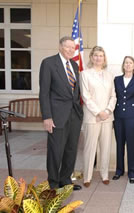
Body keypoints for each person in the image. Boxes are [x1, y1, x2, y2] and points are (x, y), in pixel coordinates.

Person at [39, 36, 83, 190]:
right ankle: (53, 182)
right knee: (56, 149)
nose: (71, 50)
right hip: (57, 116)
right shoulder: (49, 63)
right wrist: (47, 117)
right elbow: (44, 93)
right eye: (67, 47)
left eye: (73, 47)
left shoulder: (74, 65)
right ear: (60, 47)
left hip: (74, 115)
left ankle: (65, 180)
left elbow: (75, 92)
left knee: (71, 149)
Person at [80, 46, 117, 188]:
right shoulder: (85, 74)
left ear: (104, 58)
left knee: (105, 147)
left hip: (107, 116)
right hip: (92, 116)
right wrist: (98, 112)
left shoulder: (109, 75)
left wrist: (107, 111)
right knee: (90, 147)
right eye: (95, 55)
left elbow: (113, 95)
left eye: (101, 55)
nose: (98, 58)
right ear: (91, 57)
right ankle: (87, 176)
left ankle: (104, 174)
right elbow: (86, 96)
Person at [113, 56, 134, 184]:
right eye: (126, 63)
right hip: (119, 116)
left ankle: (132, 172)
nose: (128, 65)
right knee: (119, 144)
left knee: (131, 145)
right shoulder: (116, 79)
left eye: (130, 63)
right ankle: (119, 170)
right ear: (123, 65)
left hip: (132, 117)